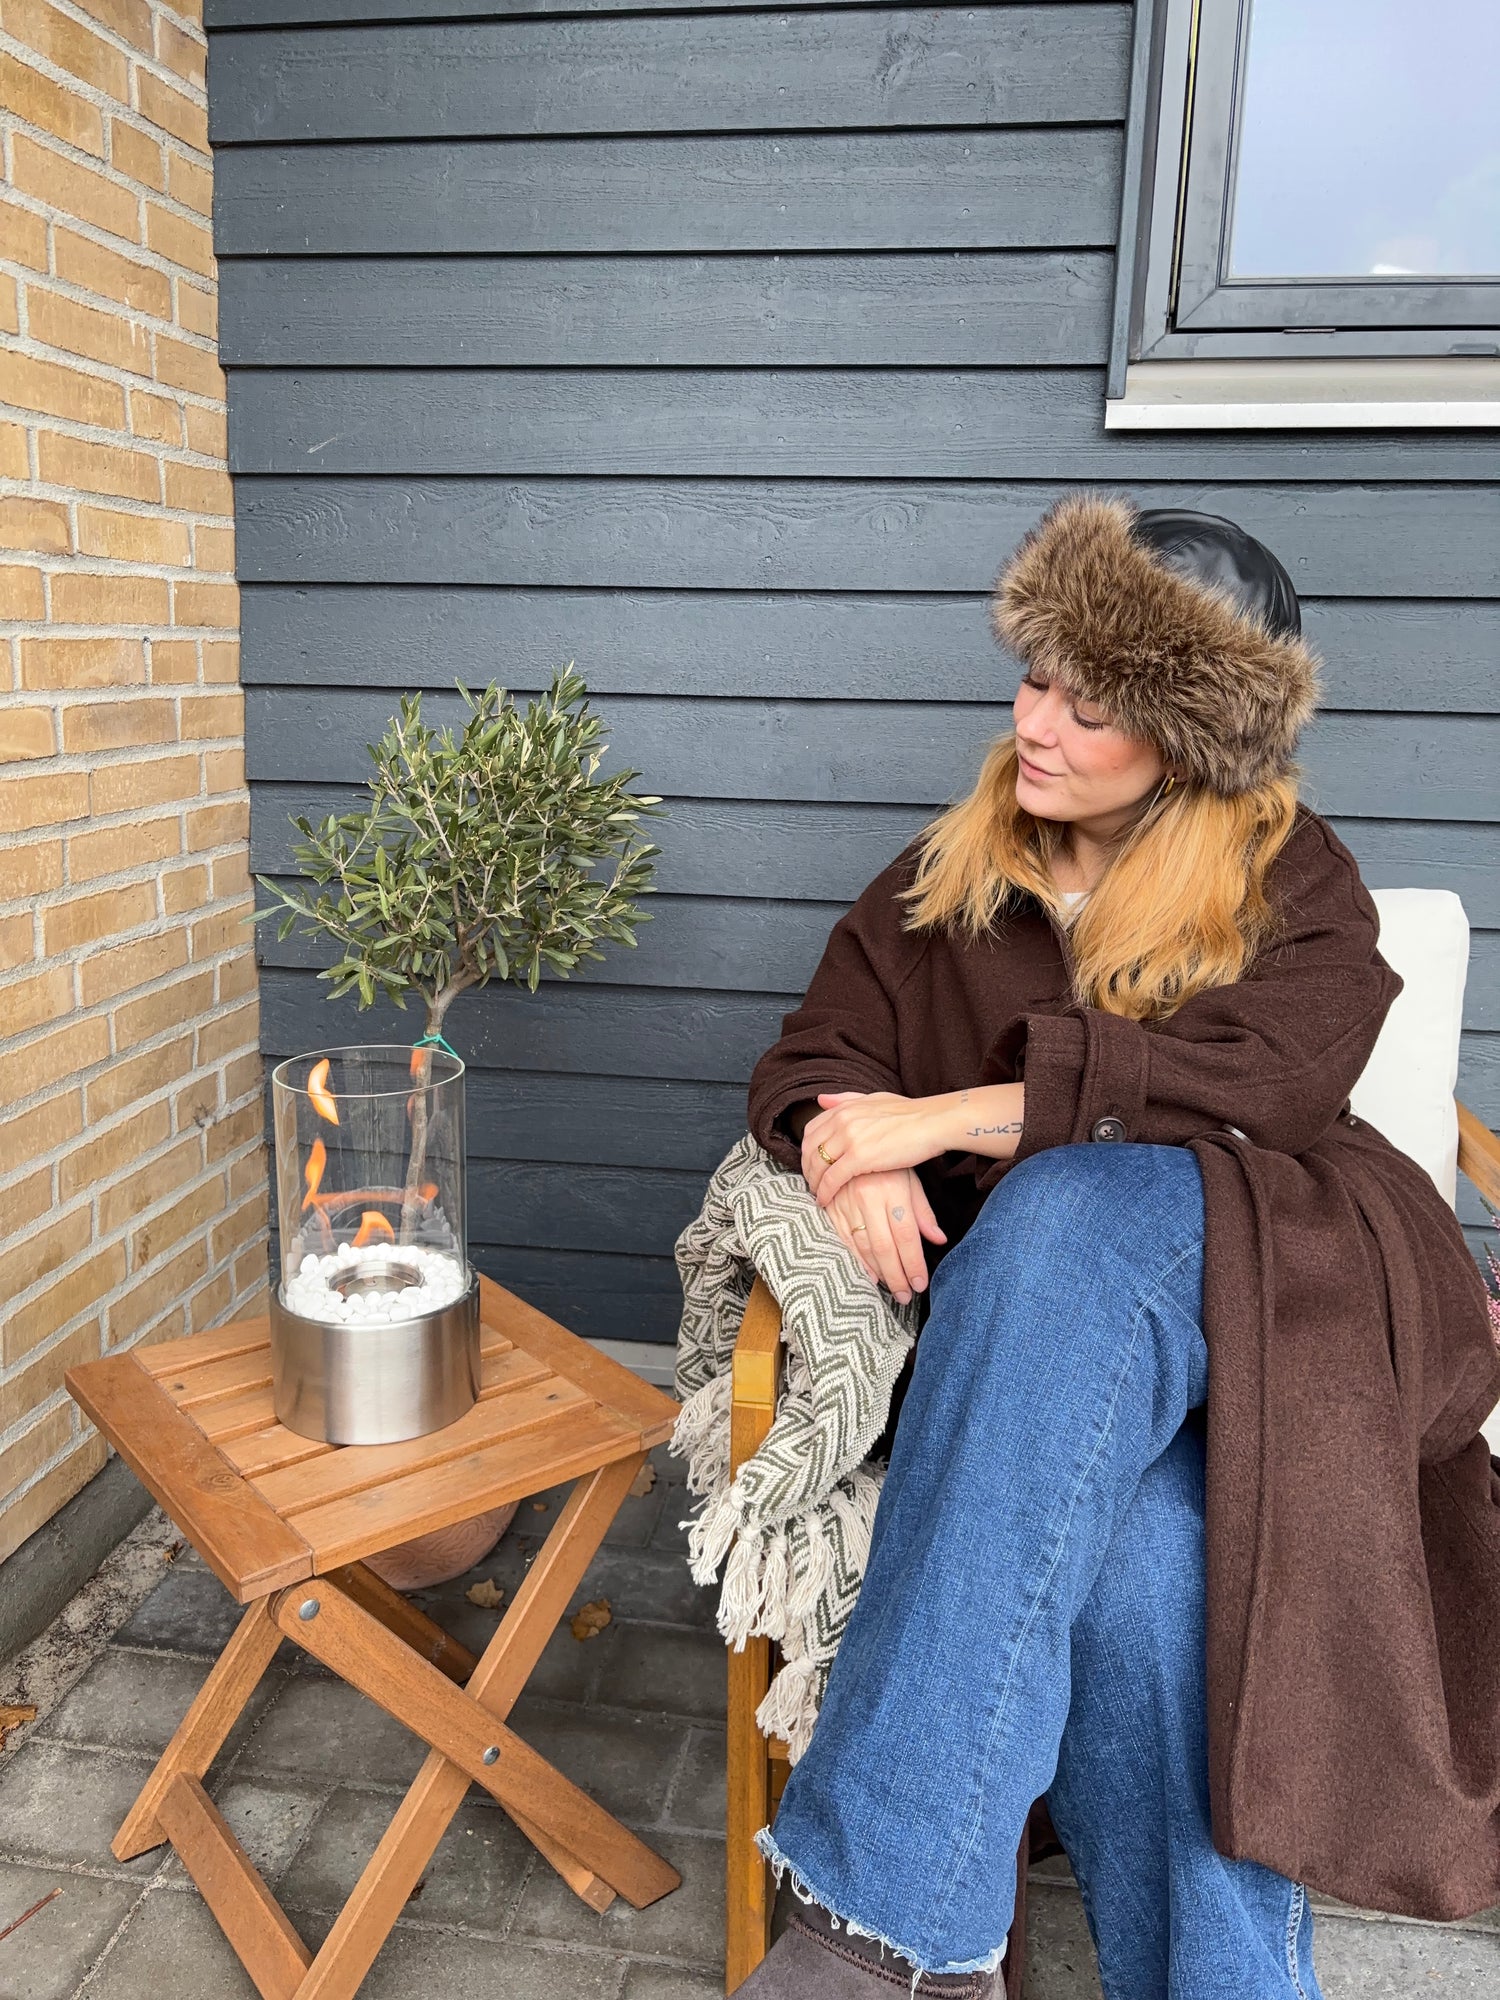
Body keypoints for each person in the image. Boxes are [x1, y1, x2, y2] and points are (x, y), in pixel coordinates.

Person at [734, 493, 1500, 2000]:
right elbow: (814, 1047)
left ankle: (871, 1942)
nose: (1036, 724)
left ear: (1188, 741)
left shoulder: (1295, 880)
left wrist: (945, 1118)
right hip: (1058, 1362)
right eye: (1035, 680)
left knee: (1073, 1200)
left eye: (1091, 709)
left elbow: (1266, 1087)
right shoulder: (951, 874)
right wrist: (843, 1136)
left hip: (1291, 1292)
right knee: (1148, 1567)